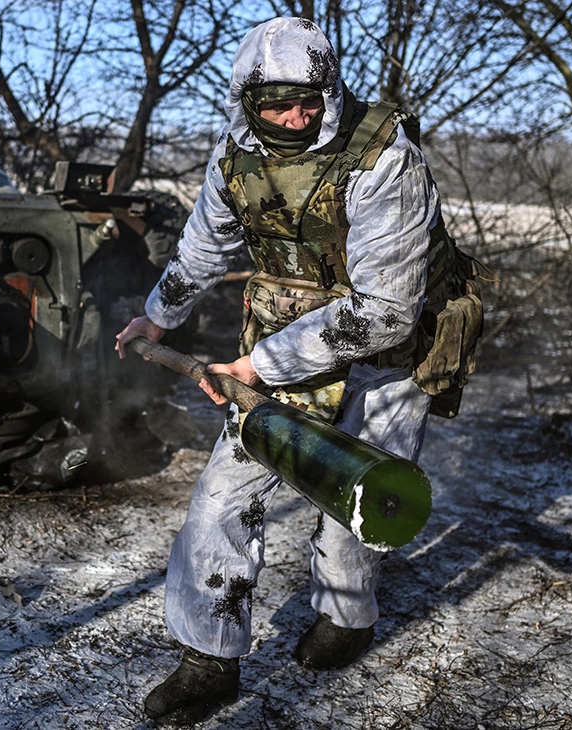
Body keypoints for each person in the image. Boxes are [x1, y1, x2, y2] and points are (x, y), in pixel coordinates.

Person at [116, 17, 447, 726]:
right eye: (277, 104)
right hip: (287, 347)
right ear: (247, 99)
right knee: (221, 497)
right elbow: (204, 245)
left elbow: (386, 311)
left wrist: (259, 364)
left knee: (356, 496)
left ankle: (347, 617)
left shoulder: (385, 157)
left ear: (330, 90)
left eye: (309, 101)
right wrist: (159, 316)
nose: (295, 117)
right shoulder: (238, 153)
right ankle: (207, 659)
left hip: (390, 353)